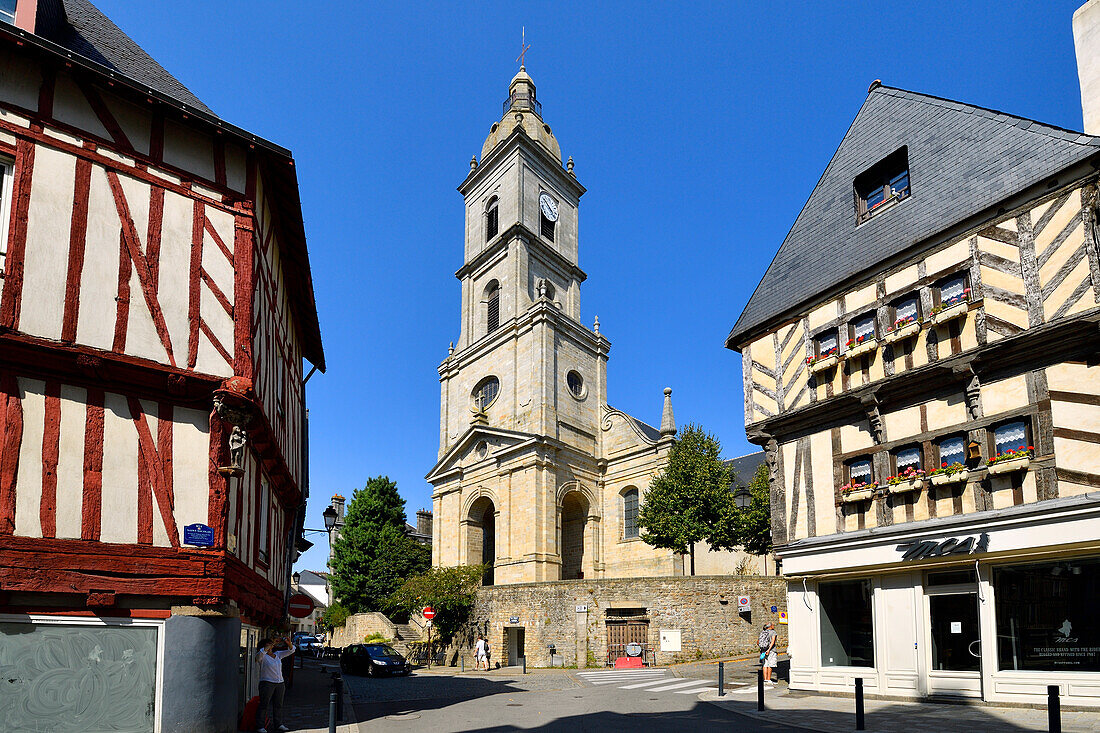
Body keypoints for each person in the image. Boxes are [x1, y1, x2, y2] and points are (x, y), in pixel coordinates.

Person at [255, 634, 296, 733]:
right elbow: (258, 657)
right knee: (264, 705)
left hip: (279, 682)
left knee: (278, 705)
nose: (271, 646)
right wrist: (271, 643)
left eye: (271, 645)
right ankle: (260, 726)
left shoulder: (277, 654)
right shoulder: (262, 657)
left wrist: (289, 643)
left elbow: (291, 650)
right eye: (268, 645)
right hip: (267, 682)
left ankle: (278, 724)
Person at [759, 622, 778, 687]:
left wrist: (763, 648)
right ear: (770, 626)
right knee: (770, 664)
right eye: (773, 625)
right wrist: (768, 650)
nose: (774, 626)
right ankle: (769, 679)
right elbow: (772, 642)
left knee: (765, 665)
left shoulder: (763, 632)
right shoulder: (773, 632)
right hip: (771, 650)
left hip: (763, 650)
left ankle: (765, 680)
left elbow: (758, 642)